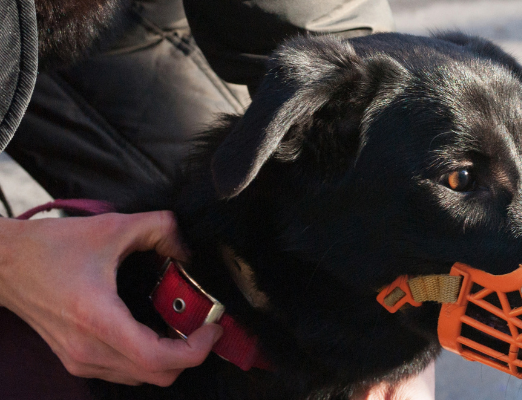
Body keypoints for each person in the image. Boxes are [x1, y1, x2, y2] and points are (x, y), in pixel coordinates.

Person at [0, 0, 434, 398]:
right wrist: (12, 262)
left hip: (91, 22)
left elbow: (328, 23)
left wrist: (398, 345)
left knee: (236, 208)